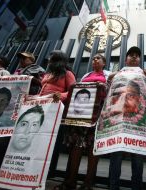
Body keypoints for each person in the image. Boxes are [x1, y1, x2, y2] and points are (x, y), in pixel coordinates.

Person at [56, 54, 110, 190]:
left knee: (93, 148)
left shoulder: (108, 75)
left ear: (104, 63)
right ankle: (71, 181)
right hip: (80, 114)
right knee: (76, 146)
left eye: (98, 58)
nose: (95, 60)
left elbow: (110, 92)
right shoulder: (86, 75)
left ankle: (87, 183)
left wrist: (103, 86)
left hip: (97, 114)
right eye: (94, 59)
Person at [106, 46, 146, 190]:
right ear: (126, 58)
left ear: (140, 60)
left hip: (138, 125)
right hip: (118, 123)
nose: (134, 57)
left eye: (137, 55)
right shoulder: (118, 73)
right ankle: (113, 187)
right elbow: (108, 88)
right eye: (131, 55)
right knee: (116, 156)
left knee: (137, 158)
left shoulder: (145, 73)